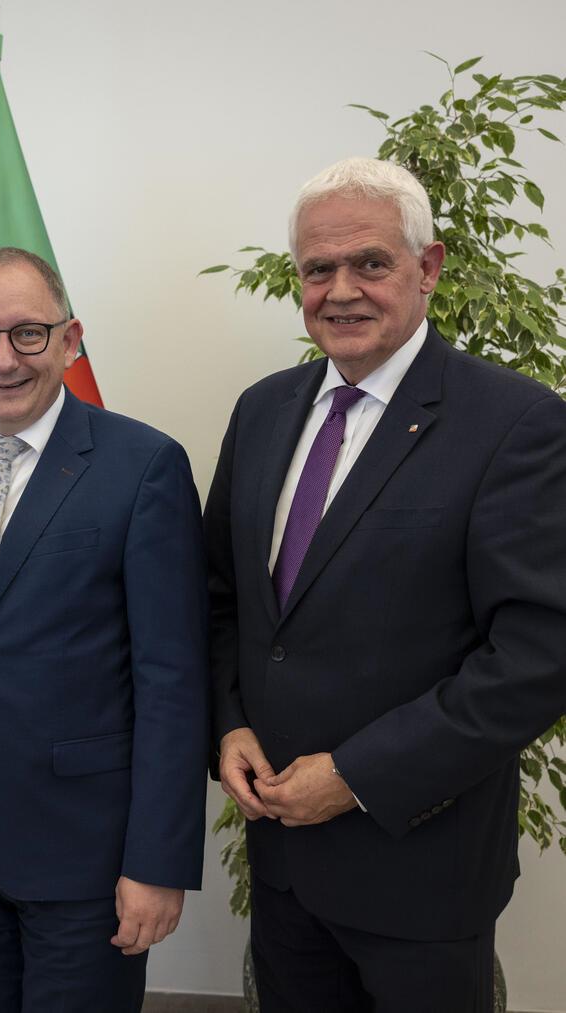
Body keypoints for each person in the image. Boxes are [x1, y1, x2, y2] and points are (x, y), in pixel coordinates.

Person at [206, 156, 566, 1010]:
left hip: (421, 872)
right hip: (285, 868)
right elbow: (223, 598)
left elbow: (537, 654)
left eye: (370, 262)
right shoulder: (262, 410)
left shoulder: (517, 423)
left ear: (428, 268)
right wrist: (228, 724)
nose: (341, 289)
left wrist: (361, 773)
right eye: (317, 268)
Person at [0, 246, 209, 1010]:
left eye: (28, 334)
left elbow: (171, 680)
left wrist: (157, 861)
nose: (3, 359)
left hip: (88, 857)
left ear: (71, 340)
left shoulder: (143, 466)